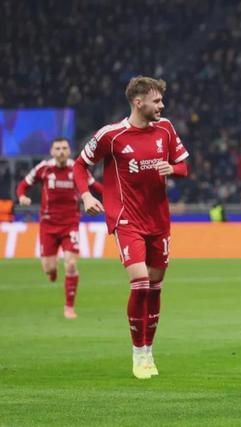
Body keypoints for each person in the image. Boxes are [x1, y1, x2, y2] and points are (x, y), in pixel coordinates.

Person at [73, 76, 189, 380]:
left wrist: (173, 169)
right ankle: (138, 353)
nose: (162, 105)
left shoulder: (166, 129)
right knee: (139, 282)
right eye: (156, 100)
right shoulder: (111, 135)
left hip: (159, 220)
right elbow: (79, 165)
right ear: (139, 102)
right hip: (127, 219)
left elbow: (184, 166)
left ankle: (149, 349)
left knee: (155, 286)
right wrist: (86, 196)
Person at [16, 137, 103, 319]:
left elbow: (95, 186)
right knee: (48, 268)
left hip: (70, 223)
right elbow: (23, 185)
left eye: (64, 148)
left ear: (69, 150)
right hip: (48, 224)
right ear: (52, 151)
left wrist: (114, 196)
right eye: (58, 148)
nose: (61, 151)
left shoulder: (77, 168)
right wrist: (22, 196)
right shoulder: (44, 168)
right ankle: (52, 270)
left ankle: (69, 307)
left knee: (71, 264)